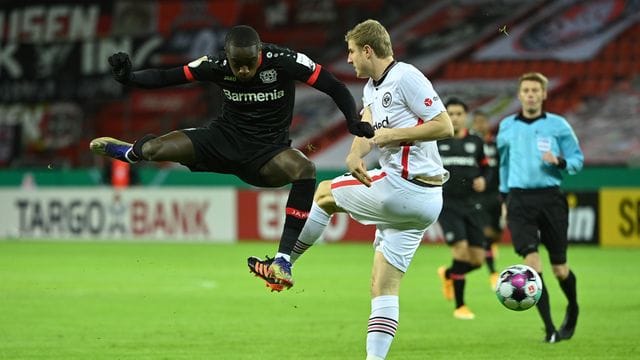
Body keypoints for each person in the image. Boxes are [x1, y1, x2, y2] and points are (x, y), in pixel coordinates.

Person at [90, 25, 375, 292]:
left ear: (259, 54)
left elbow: (334, 86)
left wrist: (352, 119)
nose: (242, 70)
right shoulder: (216, 65)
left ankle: (282, 261)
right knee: (153, 150)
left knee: (304, 168)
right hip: (222, 141)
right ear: (227, 56)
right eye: (236, 64)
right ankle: (129, 153)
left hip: (268, 153)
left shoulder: (285, 61)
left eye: (249, 63)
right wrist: (129, 78)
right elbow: (168, 77)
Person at [260, 19, 453, 360]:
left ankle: (284, 262)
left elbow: (445, 126)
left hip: (404, 187)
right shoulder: (370, 90)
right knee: (383, 287)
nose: (348, 60)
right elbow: (366, 132)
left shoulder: (406, 76)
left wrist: (391, 137)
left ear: (368, 50)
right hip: (423, 203)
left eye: (351, 52)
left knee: (321, 194)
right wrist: (353, 154)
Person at [497, 72, 583, 343]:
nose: (531, 94)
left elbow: (577, 160)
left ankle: (573, 305)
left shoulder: (558, 125)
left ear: (544, 94)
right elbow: (504, 164)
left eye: (536, 90)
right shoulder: (506, 126)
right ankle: (550, 329)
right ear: (520, 95)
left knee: (560, 268)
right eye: (527, 90)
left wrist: (559, 162)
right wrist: (503, 199)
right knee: (532, 264)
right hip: (519, 199)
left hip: (551, 198)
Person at [436, 98, 491, 320]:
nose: (455, 117)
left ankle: (449, 273)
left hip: (472, 205)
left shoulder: (476, 142)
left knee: (477, 260)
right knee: (460, 252)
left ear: (466, 116)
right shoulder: (436, 141)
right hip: (448, 205)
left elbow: (487, 168)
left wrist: (484, 180)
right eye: (451, 113)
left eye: (459, 113)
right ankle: (460, 306)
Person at [471, 110, 502, 289]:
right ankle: (492, 272)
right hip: (479, 195)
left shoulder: (495, 144)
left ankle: (490, 248)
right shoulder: (472, 144)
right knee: (486, 235)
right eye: (477, 122)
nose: (480, 125)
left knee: (496, 232)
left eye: (483, 122)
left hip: (495, 193)